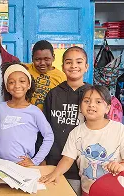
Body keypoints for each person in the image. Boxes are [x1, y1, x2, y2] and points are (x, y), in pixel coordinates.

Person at [39, 85, 124, 195]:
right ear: (80, 107)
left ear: (108, 108)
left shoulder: (119, 129)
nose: (91, 105)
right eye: (86, 101)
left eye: (98, 102)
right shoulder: (76, 132)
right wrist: (55, 173)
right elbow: (67, 159)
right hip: (87, 190)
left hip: (115, 190)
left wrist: (120, 166)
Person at [43, 46, 91, 195]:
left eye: (79, 62)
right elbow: (44, 129)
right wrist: (43, 158)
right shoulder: (53, 94)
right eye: (69, 62)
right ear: (62, 66)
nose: (74, 66)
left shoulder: (93, 94)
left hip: (84, 164)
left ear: (86, 66)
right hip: (54, 161)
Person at [0, 63, 54, 166]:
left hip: (23, 166)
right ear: (7, 87)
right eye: (11, 82)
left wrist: (35, 161)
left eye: (22, 81)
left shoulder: (35, 112)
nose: (17, 85)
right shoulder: (0, 108)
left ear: (28, 85)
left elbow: (49, 136)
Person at [25, 40, 66, 111]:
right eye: (37, 59)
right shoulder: (24, 69)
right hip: (27, 116)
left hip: (48, 118)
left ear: (53, 57)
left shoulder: (61, 77)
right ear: (32, 58)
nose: (42, 63)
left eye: (47, 59)